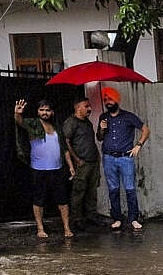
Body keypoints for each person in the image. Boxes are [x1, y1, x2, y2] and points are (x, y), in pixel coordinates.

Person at [14, 99, 75, 238]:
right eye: (41, 110)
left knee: (63, 200)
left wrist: (71, 166)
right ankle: (40, 229)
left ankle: (66, 228)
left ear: (52, 112)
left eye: (47, 110)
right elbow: (20, 122)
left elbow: (64, 149)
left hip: (57, 169)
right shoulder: (33, 123)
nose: (44, 112)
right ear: (37, 112)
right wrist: (17, 113)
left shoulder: (57, 128)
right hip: (38, 170)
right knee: (38, 200)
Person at [96, 87, 150, 230]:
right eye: (106, 99)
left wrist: (139, 145)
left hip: (126, 158)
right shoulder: (103, 117)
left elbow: (145, 129)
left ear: (117, 100)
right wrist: (102, 128)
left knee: (130, 188)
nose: (108, 102)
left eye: (111, 99)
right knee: (113, 189)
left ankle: (133, 219)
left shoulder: (128, 116)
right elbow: (99, 138)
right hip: (108, 158)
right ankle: (117, 218)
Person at [61, 98, 101, 229]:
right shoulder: (71, 122)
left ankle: (91, 216)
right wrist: (76, 159)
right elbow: (66, 141)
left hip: (93, 161)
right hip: (81, 163)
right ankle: (77, 219)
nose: (89, 109)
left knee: (92, 191)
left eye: (89, 106)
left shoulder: (87, 122)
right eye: (86, 106)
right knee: (78, 192)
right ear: (78, 108)